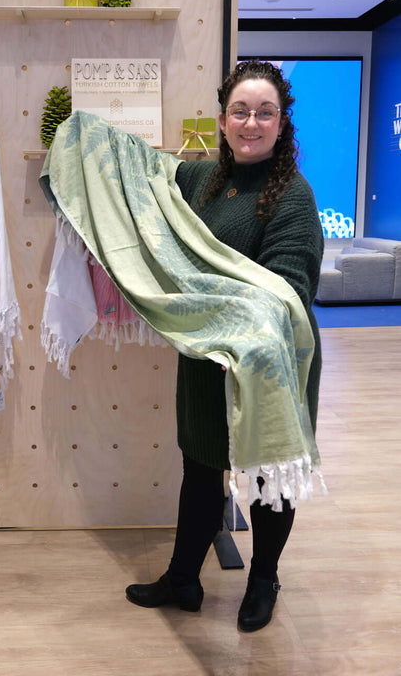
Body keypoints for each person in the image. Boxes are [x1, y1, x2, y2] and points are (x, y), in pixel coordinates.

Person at [125, 59, 324, 632]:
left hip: (268, 365)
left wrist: (209, 308)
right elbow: (145, 182)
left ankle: (264, 578)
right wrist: (83, 154)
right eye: (241, 111)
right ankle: (184, 576)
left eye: (265, 112)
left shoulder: (292, 197)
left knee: (267, 477)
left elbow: (287, 292)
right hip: (206, 360)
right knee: (201, 468)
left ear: (282, 123)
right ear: (223, 118)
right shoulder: (207, 179)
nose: (251, 122)